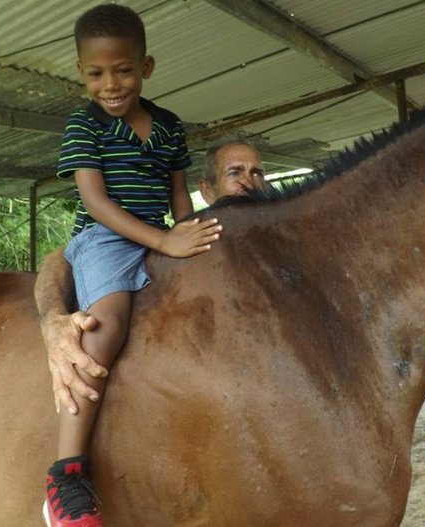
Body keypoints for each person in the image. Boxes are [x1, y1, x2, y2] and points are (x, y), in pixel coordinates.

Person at [42, 5, 223, 527]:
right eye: (96, 73)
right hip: (105, 239)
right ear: (82, 72)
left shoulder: (167, 125)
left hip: (158, 236)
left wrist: (192, 235)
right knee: (107, 325)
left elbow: (178, 192)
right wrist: (164, 241)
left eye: (122, 70)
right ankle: (65, 475)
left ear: (145, 67)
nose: (110, 84)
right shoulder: (84, 125)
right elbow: (96, 203)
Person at [37, 139, 266, 418]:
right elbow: (60, 258)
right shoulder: (180, 241)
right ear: (206, 190)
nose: (249, 183)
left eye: (257, 173)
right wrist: (52, 318)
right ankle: (71, 459)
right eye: (235, 173)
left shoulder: (274, 245)